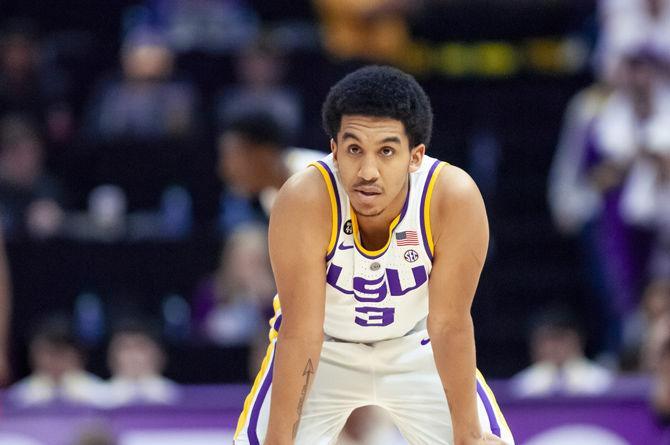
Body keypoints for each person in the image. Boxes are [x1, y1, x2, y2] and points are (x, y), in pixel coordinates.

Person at [233, 66, 513, 445]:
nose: (367, 171)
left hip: (417, 344)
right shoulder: (304, 198)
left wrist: (467, 435)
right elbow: (300, 331)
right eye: (353, 150)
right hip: (325, 347)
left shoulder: (452, 196)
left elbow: (449, 324)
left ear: (415, 156)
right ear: (334, 151)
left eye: (386, 151)